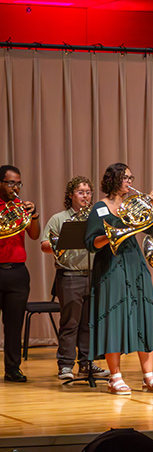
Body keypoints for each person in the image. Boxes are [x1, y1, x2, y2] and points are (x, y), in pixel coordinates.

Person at [84, 163, 153, 395]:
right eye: (125, 178)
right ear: (113, 180)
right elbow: (90, 243)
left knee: (143, 315)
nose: (130, 182)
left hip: (134, 262)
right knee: (113, 318)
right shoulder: (100, 208)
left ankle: (148, 376)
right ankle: (115, 377)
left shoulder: (134, 204)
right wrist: (109, 236)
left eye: (131, 177)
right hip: (110, 265)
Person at [40, 176, 109, 380]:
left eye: (88, 192)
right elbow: (44, 245)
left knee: (88, 323)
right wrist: (63, 242)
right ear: (70, 195)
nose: (85, 196)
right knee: (70, 322)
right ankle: (66, 365)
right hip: (69, 275)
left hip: (93, 275)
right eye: (81, 192)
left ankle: (87, 363)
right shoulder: (59, 218)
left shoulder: (95, 217)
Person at [0, 164, 41, 383]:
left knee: (14, 325)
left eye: (18, 183)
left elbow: (34, 235)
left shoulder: (20, 206)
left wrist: (33, 214)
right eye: (10, 183)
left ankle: (12, 369)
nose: (15, 187)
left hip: (17, 272)